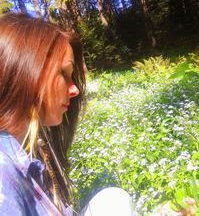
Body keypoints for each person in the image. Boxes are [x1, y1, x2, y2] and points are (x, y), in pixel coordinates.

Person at [0, 12, 136, 216]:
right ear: (25, 72)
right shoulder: (4, 180)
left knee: (113, 199)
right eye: (64, 74)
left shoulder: (26, 153)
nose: (75, 90)